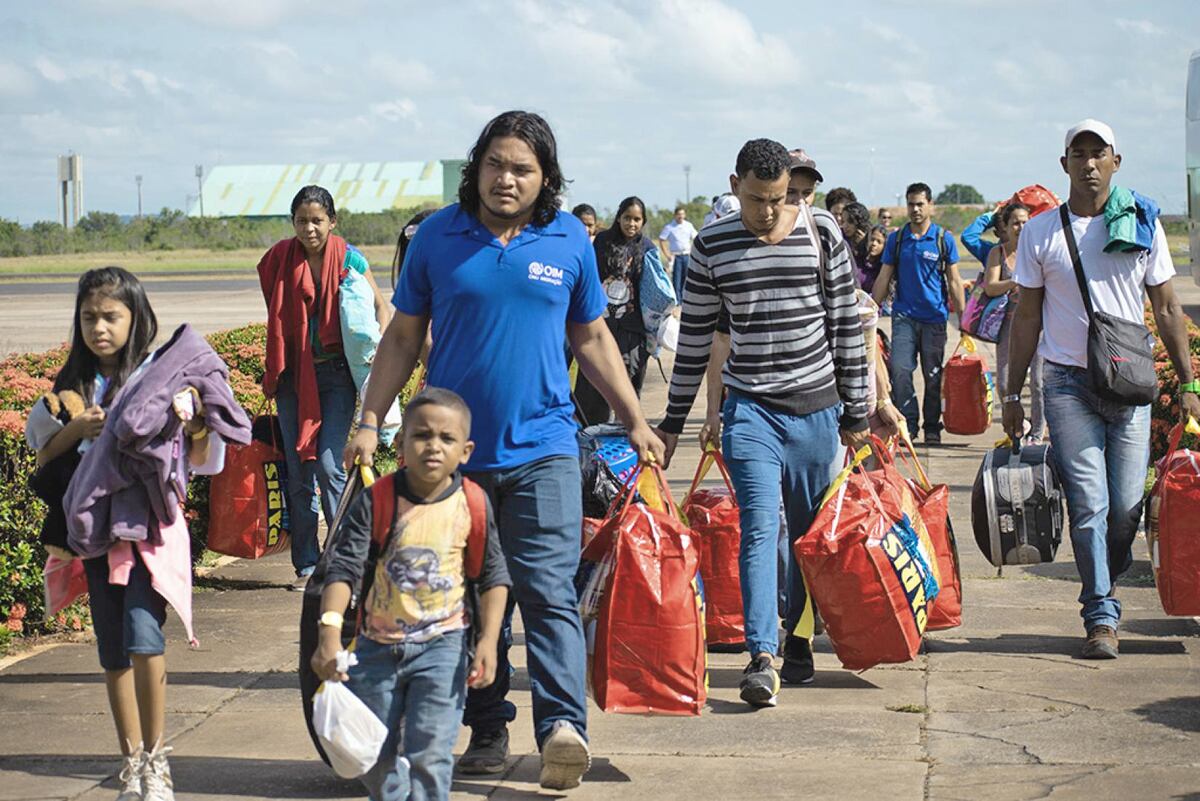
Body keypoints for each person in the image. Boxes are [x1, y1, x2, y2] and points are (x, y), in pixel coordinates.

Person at [345, 110, 665, 790]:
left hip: (547, 445)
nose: (506, 178)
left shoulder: (568, 241)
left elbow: (594, 338)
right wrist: (370, 418)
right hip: (451, 460)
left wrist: (637, 420)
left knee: (548, 587)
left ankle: (560, 729)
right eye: (495, 164)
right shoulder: (438, 237)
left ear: (546, 176)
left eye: (522, 168)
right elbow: (402, 337)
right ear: (476, 167)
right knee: (455, 599)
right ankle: (486, 725)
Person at [656, 138, 870, 709]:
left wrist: (856, 409)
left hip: (818, 409)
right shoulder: (711, 246)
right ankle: (760, 654)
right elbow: (697, 340)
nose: (769, 211)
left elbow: (847, 325)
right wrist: (673, 422)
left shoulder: (821, 232)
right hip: (749, 410)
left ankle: (798, 640)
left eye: (778, 199)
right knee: (758, 526)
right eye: (757, 199)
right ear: (734, 186)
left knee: (805, 536)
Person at [25, 267, 233, 801]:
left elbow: (201, 452)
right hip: (96, 538)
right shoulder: (70, 390)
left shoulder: (158, 376)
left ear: (135, 318)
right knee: (113, 651)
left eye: (111, 316)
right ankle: (131, 763)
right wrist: (79, 427)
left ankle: (157, 759)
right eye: (90, 316)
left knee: (145, 639)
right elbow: (42, 453)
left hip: (149, 535)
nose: (100, 327)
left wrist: (193, 420)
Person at [1003, 119, 1200, 659]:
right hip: (1066, 384)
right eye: (1078, 153)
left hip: (1130, 384)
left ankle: (1104, 574)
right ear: (1064, 164)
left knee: (1125, 509)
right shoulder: (1042, 231)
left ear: (1117, 161)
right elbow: (1026, 318)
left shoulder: (1141, 223)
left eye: (1099, 153)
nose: (1088, 163)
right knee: (1089, 504)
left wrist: (1188, 382)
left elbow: (1166, 306)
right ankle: (1100, 614)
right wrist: (1012, 393)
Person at [313, 388, 511, 801]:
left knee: (431, 753)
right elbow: (343, 568)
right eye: (421, 436)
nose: (433, 446)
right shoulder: (378, 500)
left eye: (447, 438)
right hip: (375, 649)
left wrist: (489, 641)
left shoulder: (471, 503)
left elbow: (494, 577)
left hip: (443, 649)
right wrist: (329, 634)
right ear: (401, 443)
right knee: (371, 754)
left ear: (466, 450)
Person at [257, 186, 391, 591]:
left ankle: (344, 558)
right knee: (298, 474)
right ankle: (307, 564)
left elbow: (381, 306)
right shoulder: (280, 259)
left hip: (334, 376)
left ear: (332, 221)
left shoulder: (350, 259)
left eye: (317, 220)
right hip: (294, 378)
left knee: (331, 465)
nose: (309, 228)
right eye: (301, 220)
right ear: (293, 223)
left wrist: (376, 351)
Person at [871, 182, 966, 444]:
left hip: (935, 319)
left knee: (932, 375)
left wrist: (965, 319)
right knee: (900, 369)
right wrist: (869, 311)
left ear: (930, 206)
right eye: (911, 204)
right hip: (904, 317)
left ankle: (932, 427)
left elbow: (955, 281)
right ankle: (909, 424)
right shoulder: (897, 239)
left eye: (920, 204)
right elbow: (883, 277)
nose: (915, 209)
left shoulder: (942, 239)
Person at [573, 196, 660, 425]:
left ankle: (627, 443)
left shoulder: (648, 248)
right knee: (594, 388)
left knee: (628, 390)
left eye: (637, 219)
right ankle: (591, 442)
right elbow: (589, 278)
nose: (632, 224)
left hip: (632, 333)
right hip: (601, 327)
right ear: (619, 218)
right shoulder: (602, 242)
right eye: (627, 218)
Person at [983, 201, 1044, 443]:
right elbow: (990, 287)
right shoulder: (998, 253)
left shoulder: (1039, 250)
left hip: (1038, 324)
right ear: (1005, 227)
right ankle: (1018, 426)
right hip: (1008, 325)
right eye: (1015, 223)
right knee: (1006, 382)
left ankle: (1038, 434)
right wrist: (1016, 282)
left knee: (1039, 382)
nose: (1020, 227)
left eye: (1025, 222)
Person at [658, 205, 698, 302]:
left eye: (682, 214)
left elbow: (696, 237)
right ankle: (677, 301)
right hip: (676, 256)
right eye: (679, 214)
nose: (680, 216)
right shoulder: (670, 227)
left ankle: (686, 299)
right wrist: (667, 254)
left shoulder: (688, 225)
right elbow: (662, 239)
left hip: (687, 255)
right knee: (677, 279)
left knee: (687, 278)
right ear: (675, 215)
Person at [841, 201, 873, 281]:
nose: (845, 226)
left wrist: (864, 245)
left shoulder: (872, 240)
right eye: (843, 221)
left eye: (850, 222)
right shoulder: (840, 239)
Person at [860, 224, 888, 295]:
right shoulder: (858, 262)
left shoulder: (885, 269)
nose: (874, 244)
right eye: (872, 239)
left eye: (879, 242)